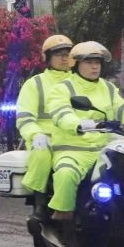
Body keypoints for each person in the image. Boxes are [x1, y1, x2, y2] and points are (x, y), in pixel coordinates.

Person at [44, 41, 124, 236]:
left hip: (106, 148)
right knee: (66, 173)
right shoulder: (63, 89)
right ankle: (63, 221)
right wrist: (78, 124)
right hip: (74, 149)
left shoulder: (108, 88)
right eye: (89, 62)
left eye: (97, 62)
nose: (94, 67)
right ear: (76, 64)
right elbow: (60, 113)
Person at [15, 34, 76, 201]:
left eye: (68, 54)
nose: (64, 58)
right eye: (58, 54)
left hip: (75, 138)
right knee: (41, 155)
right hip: (44, 139)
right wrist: (35, 134)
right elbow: (25, 117)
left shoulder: (80, 82)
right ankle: (39, 203)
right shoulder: (34, 84)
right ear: (47, 57)